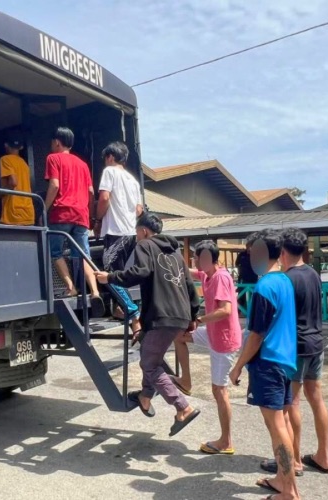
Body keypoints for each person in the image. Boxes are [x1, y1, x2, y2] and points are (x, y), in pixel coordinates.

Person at [95, 212, 201, 437]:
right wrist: (192, 316)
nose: (136, 237)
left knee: (149, 365)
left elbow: (140, 272)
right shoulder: (176, 254)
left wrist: (110, 277)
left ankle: (183, 407)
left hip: (161, 315)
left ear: (143, 231)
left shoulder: (145, 246)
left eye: (136, 233)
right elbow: (190, 287)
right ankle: (145, 396)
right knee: (149, 354)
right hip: (178, 315)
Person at [229, 229, 300, 500]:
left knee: (276, 426)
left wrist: (237, 367)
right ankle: (283, 480)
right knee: (280, 421)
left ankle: (290, 491)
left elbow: (256, 335)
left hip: (268, 363)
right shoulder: (284, 281)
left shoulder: (264, 287)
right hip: (285, 362)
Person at [261, 228, 328, 477]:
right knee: (317, 399)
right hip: (316, 344)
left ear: (282, 252)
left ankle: (293, 460)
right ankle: (322, 456)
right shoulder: (313, 274)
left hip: (296, 348)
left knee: (291, 403)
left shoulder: (287, 279)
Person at [171, 240, 242, 455]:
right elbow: (189, 272)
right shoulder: (206, 274)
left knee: (219, 391)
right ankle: (186, 380)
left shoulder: (220, 277)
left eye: (202, 258)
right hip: (212, 335)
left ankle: (226, 441)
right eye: (197, 258)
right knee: (179, 336)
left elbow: (226, 310)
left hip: (224, 340)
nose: (198, 262)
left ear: (213, 259)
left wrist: (199, 320)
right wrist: (168, 258)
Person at [45, 127, 103, 314]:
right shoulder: (83, 164)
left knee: (55, 252)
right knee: (83, 254)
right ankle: (94, 292)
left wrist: (44, 208)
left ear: (57, 142)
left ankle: (71, 287)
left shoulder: (53, 158)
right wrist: (90, 214)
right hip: (81, 215)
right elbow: (91, 192)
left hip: (61, 213)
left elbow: (54, 184)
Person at [95, 141, 143, 335]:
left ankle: (133, 315)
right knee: (118, 273)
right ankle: (119, 309)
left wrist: (98, 219)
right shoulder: (133, 180)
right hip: (131, 232)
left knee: (109, 275)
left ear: (110, 157)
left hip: (116, 231)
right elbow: (139, 209)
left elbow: (104, 198)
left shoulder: (110, 172)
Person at [0, 134, 34, 226]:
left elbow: (13, 182)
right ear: (21, 147)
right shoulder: (25, 164)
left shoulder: (5, 159)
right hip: (28, 213)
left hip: (13, 213)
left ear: (6, 145)